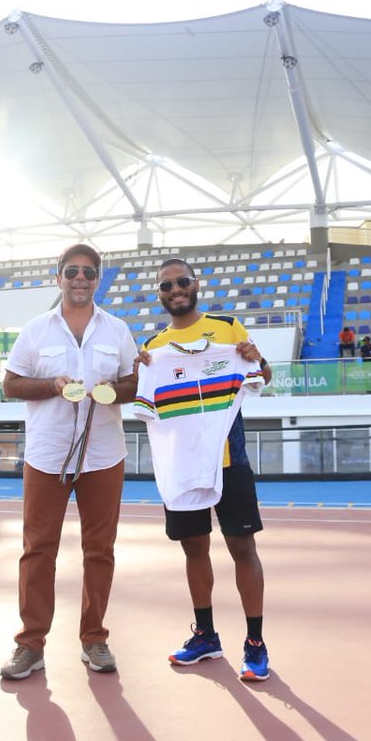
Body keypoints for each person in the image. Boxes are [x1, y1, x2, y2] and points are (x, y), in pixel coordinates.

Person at [0, 243, 138, 681]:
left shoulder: (117, 329)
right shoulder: (36, 330)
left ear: (99, 280)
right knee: (38, 551)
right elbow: (10, 384)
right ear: (58, 277)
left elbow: (135, 381)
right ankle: (30, 644)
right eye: (72, 271)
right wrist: (52, 385)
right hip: (47, 457)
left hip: (103, 456)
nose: (81, 279)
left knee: (100, 551)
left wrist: (114, 391)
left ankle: (94, 638)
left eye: (89, 273)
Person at [136, 257, 274, 682]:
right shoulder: (153, 351)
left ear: (195, 285)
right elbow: (143, 403)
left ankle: (255, 642)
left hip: (230, 461)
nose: (175, 289)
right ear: (158, 295)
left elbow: (262, 375)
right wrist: (140, 371)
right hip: (182, 469)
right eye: (166, 285)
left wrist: (256, 358)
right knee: (194, 548)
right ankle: (206, 635)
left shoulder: (229, 328)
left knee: (242, 548)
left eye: (182, 282)